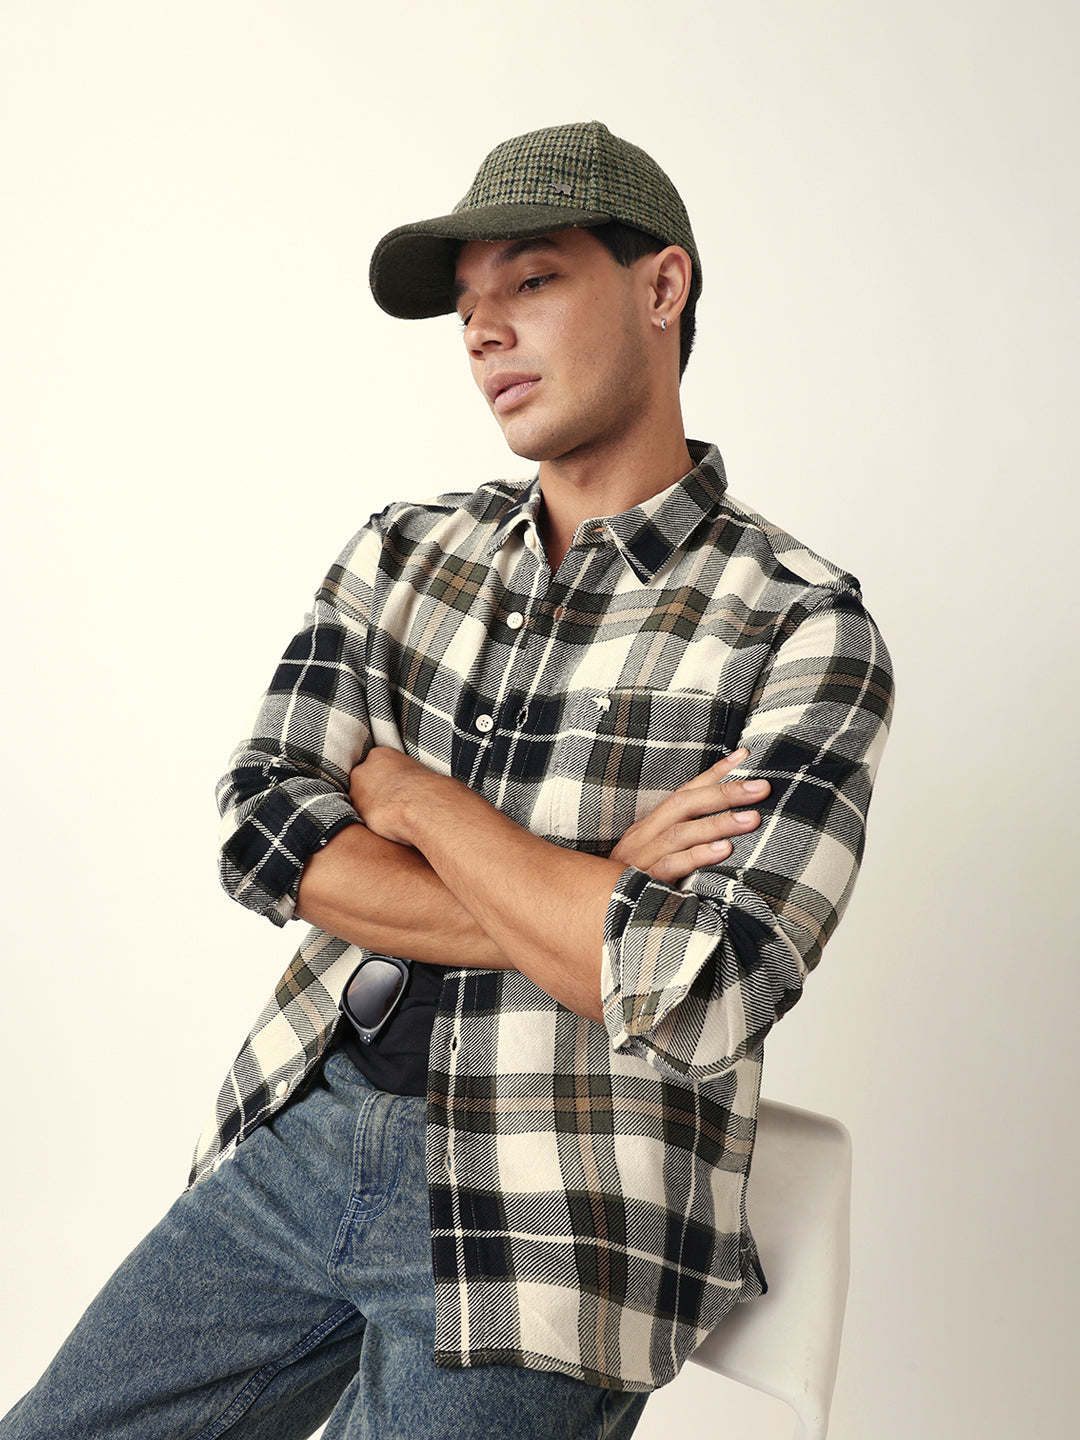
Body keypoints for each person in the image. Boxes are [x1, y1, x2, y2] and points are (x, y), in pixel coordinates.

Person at [1, 120, 893, 1440]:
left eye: (531, 279)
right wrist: (594, 894)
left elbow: (705, 985)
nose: (483, 331)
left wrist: (423, 806)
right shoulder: (405, 554)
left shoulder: (802, 626)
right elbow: (265, 830)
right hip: (308, 1130)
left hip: (558, 1209)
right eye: (468, 304)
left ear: (662, 288)